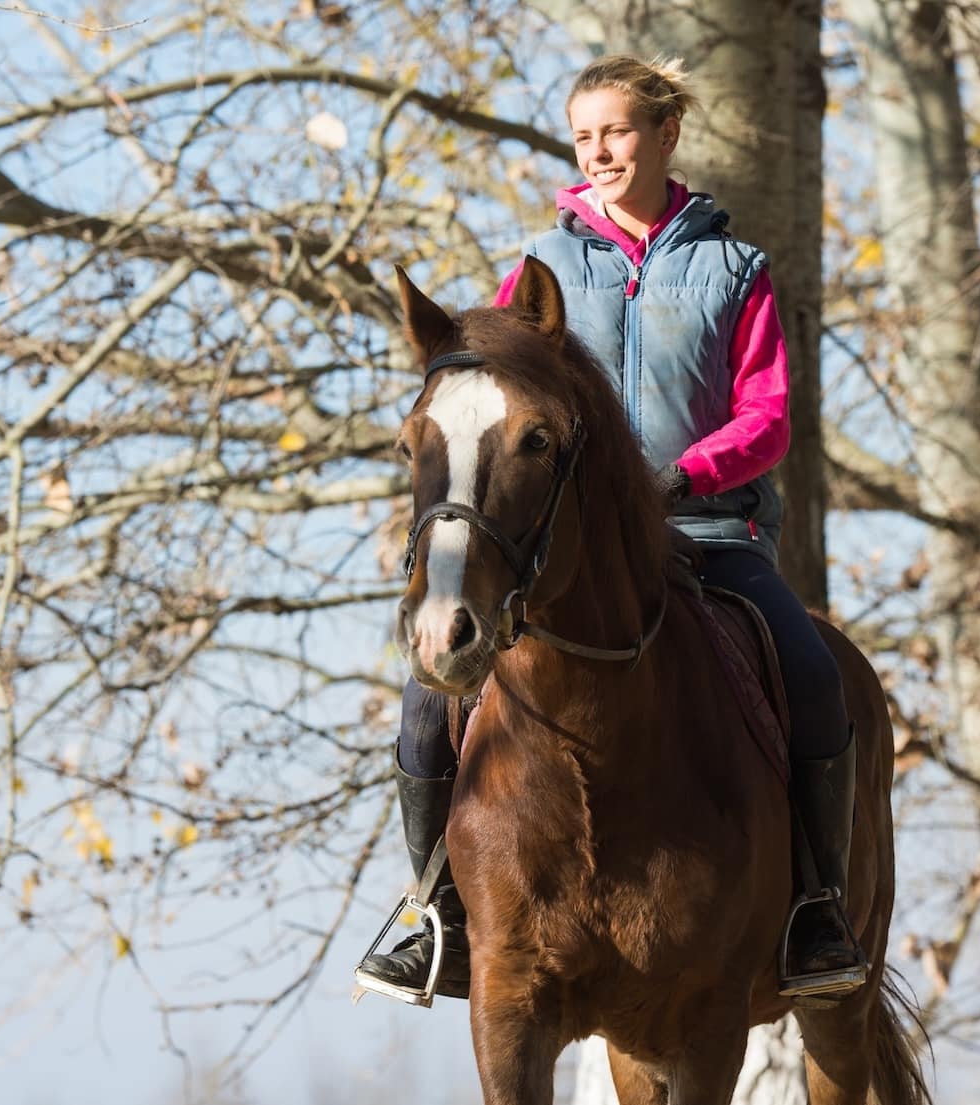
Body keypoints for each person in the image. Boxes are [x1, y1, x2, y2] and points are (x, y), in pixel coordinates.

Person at [357, 54, 865, 1003]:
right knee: (429, 697)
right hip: (569, 551)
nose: (598, 151)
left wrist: (680, 477)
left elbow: (770, 417)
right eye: (584, 135)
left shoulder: (733, 268)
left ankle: (817, 907)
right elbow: (495, 404)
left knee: (813, 671)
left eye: (617, 132)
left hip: (710, 533)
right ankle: (434, 912)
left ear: (666, 135)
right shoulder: (538, 272)